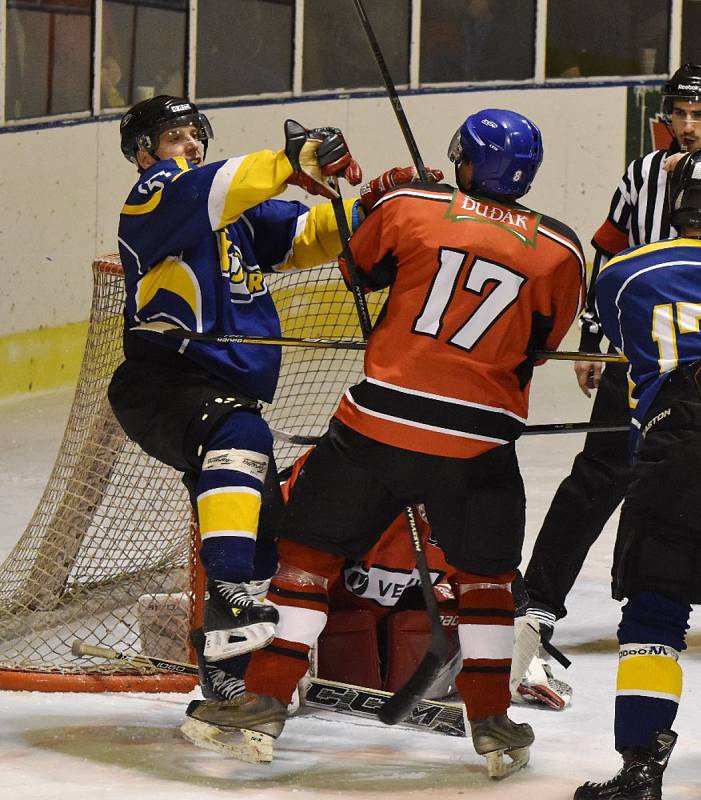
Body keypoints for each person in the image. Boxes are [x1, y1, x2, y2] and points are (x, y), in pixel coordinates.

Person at [183, 108, 586, 776]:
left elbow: (354, 271)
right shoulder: (562, 248)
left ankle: (264, 699)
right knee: (485, 580)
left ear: (461, 158)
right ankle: (490, 719)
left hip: (378, 425)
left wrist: (396, 212)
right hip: (480, 441)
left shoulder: (409, 203)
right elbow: (539, 347)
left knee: (307, 559)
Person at [107, 95, 365, 696]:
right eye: (174, 136)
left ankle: (225, 672)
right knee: (239, 434)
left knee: (262, 544)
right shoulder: (155, 197)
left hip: (220, 391)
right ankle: (224, 604)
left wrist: (378, 207)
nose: (191, 144)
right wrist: (288, 158)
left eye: (195, 133)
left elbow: (303, 235)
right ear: (144, 152)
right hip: (163, 382)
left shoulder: (234, 214)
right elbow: (212, 188)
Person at [520, 64, 701, 645]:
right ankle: (540, 603)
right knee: (600, 471)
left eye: (700, 116)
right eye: (680, 115)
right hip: (645, 351)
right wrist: (594, 340)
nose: (689, 126)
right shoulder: (642, 173)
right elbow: (609, 251)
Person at [573, 147, 701, 799]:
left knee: (653, 611)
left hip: (675, 448)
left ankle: (641, 771)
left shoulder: (625, 272)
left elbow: (622, 334)